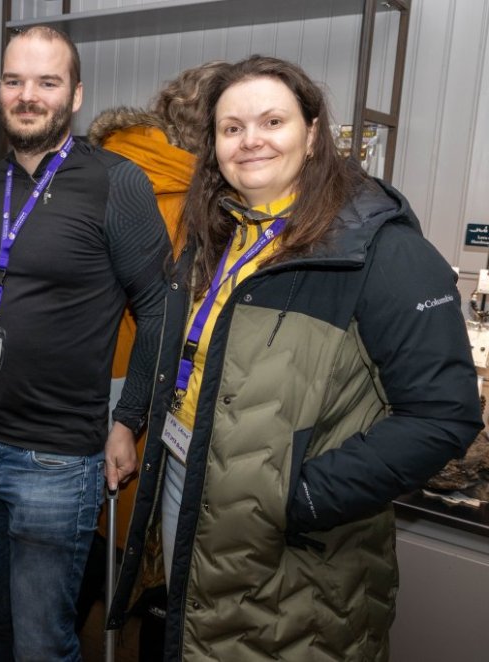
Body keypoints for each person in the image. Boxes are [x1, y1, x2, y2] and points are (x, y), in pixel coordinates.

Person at [108, 55, 483, 661]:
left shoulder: (381, 249)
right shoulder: (218, 232)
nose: (250, 140)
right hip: (186, 475)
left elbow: (443, 415)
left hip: (297, 534)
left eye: (272, 122)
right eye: (232, 128)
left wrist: (298, 500)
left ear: (312, 135)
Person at [0, 25, 169, 660]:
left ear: (76, 95)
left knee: (41, 642)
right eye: (13, 80)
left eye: (46, 81)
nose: (27, 95)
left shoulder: (118, 182)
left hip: (57, 462)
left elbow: (158, 309)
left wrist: (129, 420)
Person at [81, 60, 228, 657]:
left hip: (96, 372)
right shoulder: (198, 192)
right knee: (161, 543)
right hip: (156, 385)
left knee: (99, 532)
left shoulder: (109, 162)